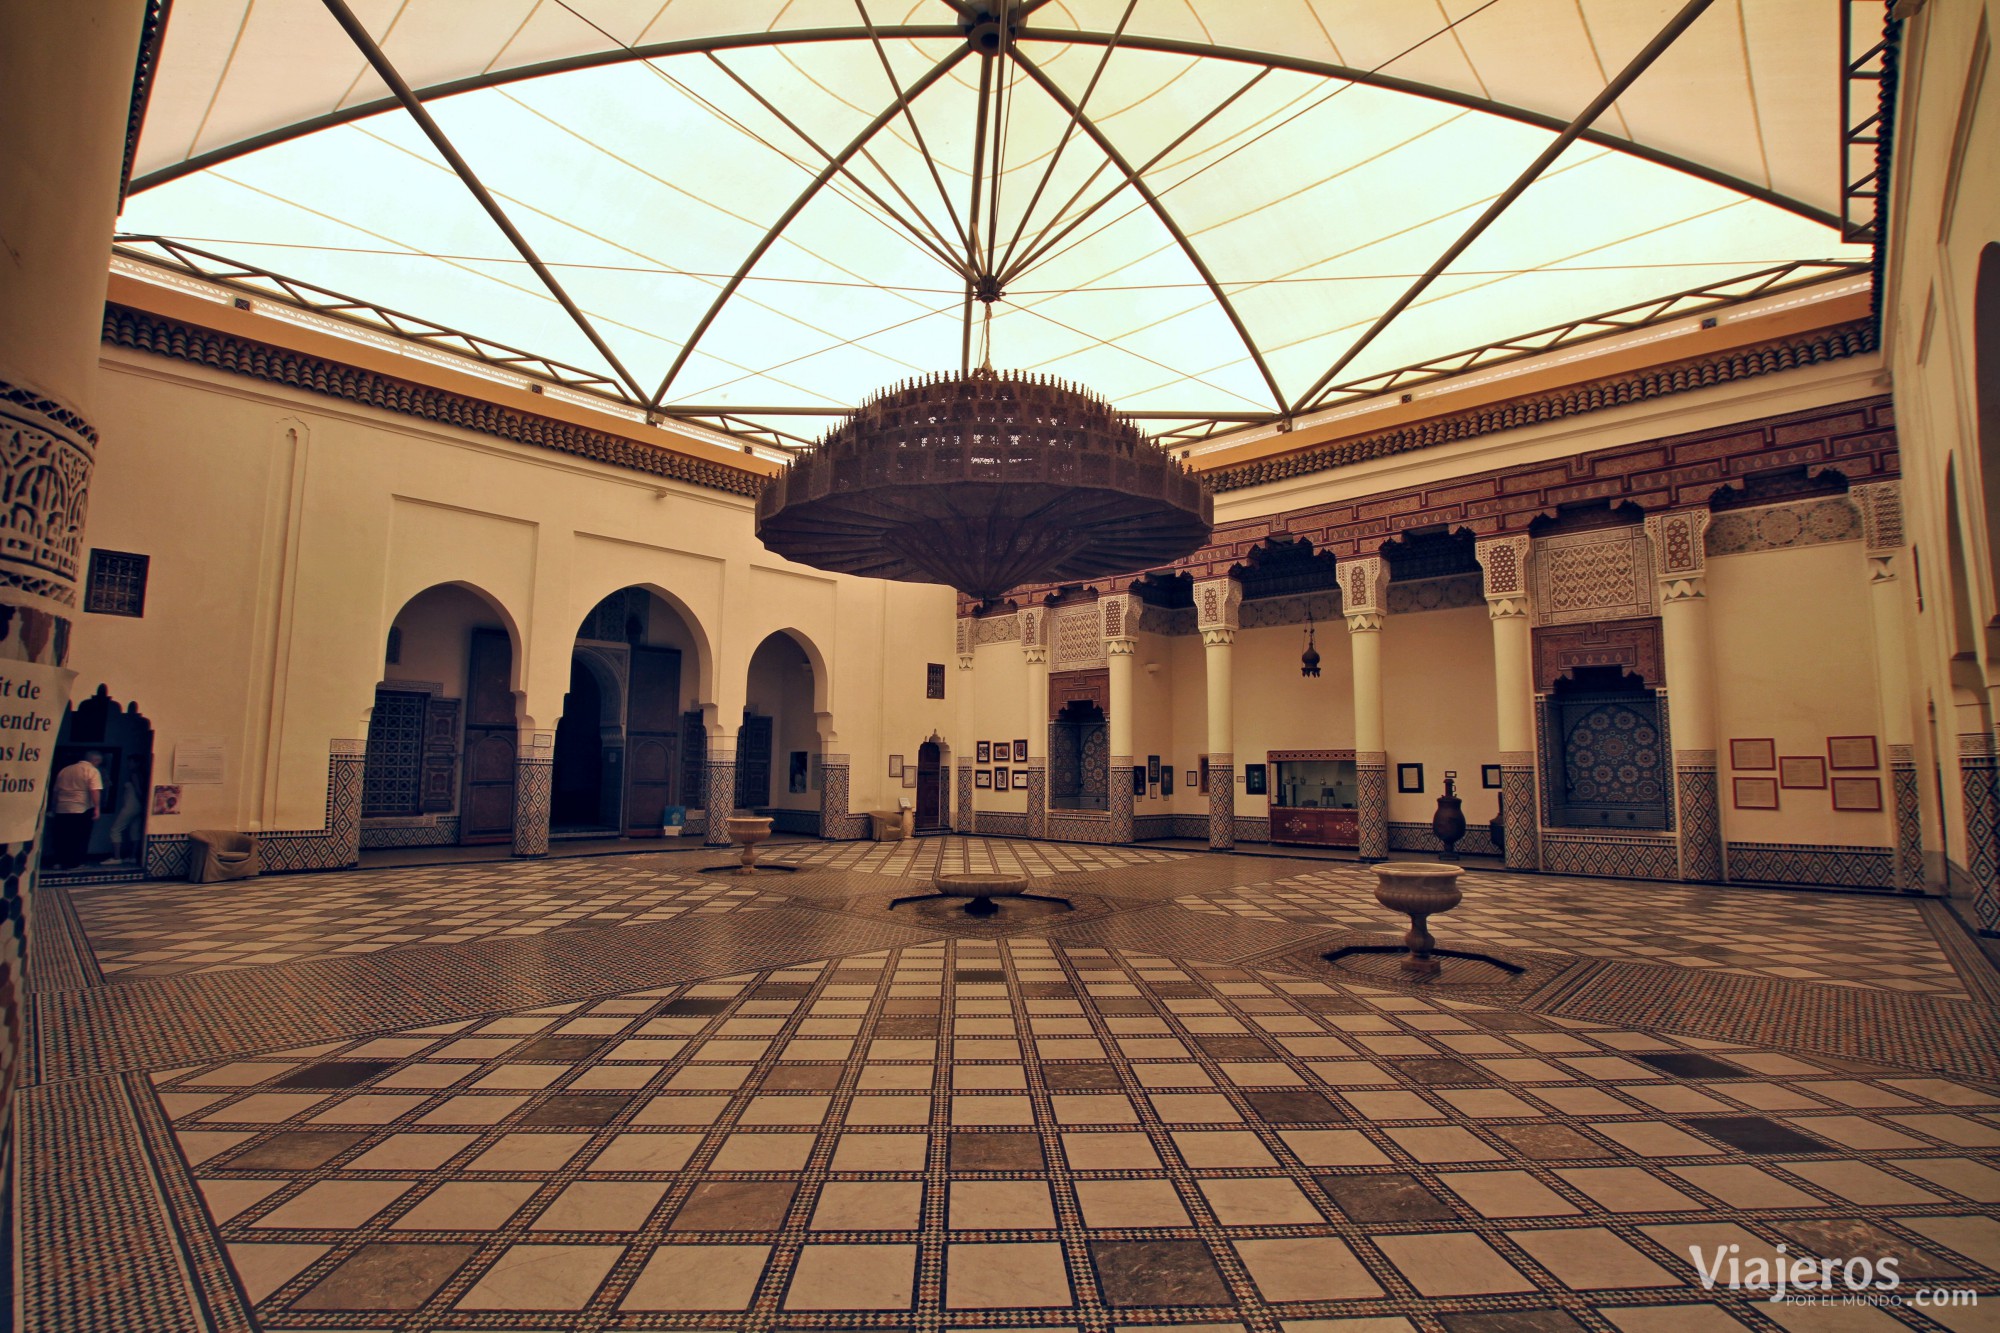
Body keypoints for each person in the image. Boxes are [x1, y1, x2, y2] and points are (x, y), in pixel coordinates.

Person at [49, 750, 105, 871]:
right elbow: (94, 790)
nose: (99, 765)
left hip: (62, 807)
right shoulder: (92, 771)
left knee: (61, 836)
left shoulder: (65, 770)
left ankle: (58, 861)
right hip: (81, 808)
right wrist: (97, 808)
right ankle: (75, 862)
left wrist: (54, 807)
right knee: (79, 836)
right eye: (99, 762)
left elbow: (55, 791)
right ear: (95, 760)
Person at [104, 760, 145, 865]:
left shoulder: (134, 775)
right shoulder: (141, 775)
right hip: (138, 807)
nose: (128, 764)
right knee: (134, 831)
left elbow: (138, 791)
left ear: (137, 763)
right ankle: (133, 856)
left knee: (115, 829)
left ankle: (117, 857)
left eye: (131, 762)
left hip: (131, 806)